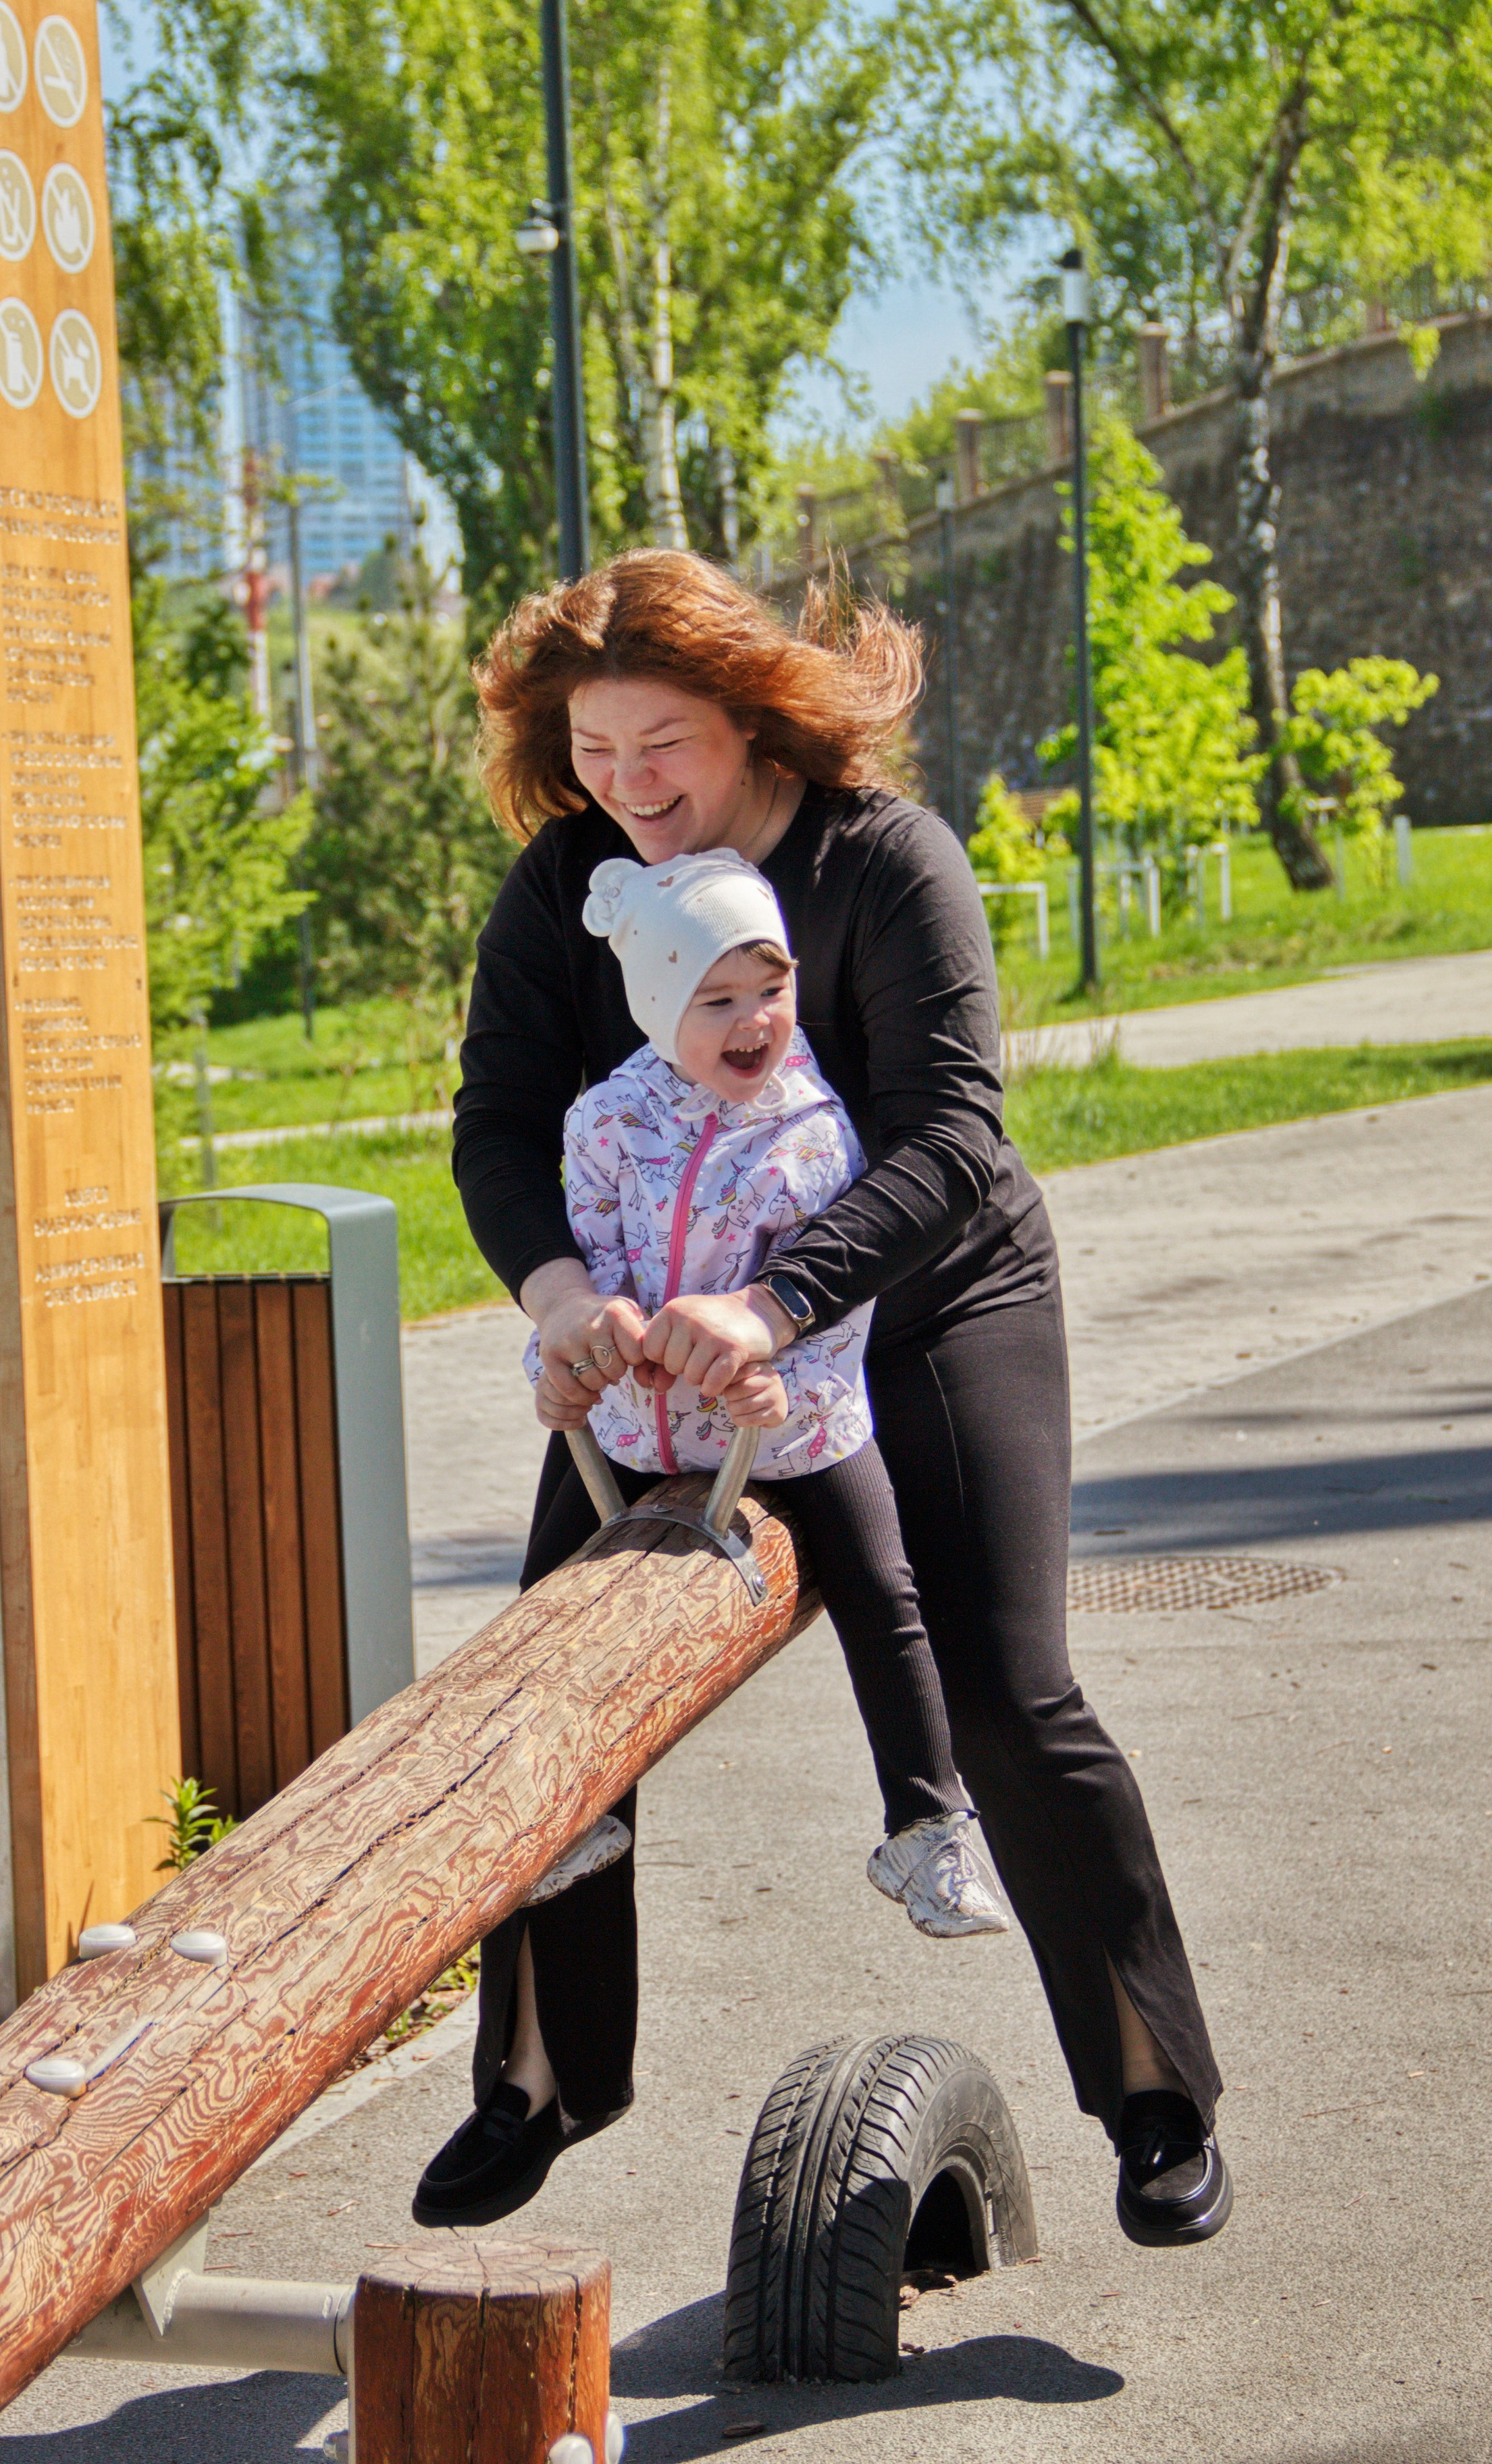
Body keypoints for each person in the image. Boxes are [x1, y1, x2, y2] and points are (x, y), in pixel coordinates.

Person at [413, 549, 1231, 2255]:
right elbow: (497, 1120)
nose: (629, 786)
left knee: (1005, 1693)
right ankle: (543, 2075)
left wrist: (780, 1302)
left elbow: (951, 1137)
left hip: (926, 1306)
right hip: (668, 1344)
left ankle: (1153, 2089)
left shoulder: (884, 859)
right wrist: (560, 1293)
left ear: (751, 714)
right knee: (547, 1692)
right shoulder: (569, 884)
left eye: (664, 744)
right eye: (594, 750)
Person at [517, 846, 1008, 1951]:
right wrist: (583, 1354)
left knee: (883, 1588)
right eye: (718, 1000)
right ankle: (565, 1812)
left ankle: (926, 1821)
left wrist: (768, 1375)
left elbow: (832, 1298)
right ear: (658, 1009)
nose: (755, 1022)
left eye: (772, 989)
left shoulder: (811, 1130)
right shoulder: (607, 1124)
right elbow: (591, 1272)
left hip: (788, 1423)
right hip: (633, 1427)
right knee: (549, 1598)